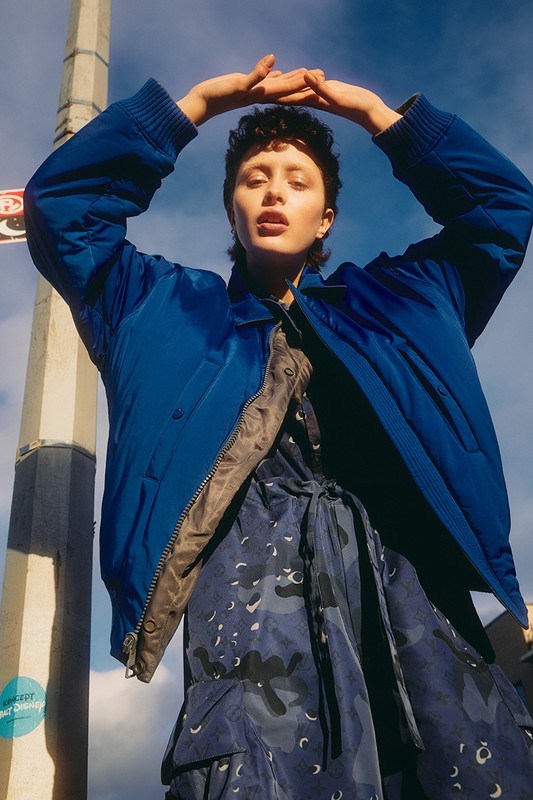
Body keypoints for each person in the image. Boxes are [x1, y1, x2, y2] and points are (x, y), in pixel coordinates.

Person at [25, 55, 533, 799]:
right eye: (254, 178)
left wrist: (380, 118)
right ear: (231, 208)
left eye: (298, 181)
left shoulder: (410, 299)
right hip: (251, 610)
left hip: (414, 594)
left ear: (325, 216)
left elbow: (500, 210)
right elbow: (63, 207)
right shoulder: (157, 308)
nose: (273, 192)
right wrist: (192, 107)